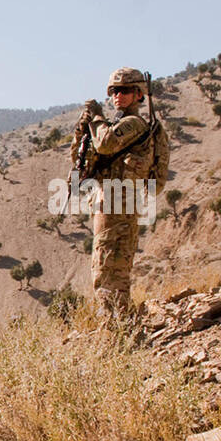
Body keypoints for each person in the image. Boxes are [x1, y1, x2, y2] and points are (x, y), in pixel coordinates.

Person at [76, 66, 169, 321]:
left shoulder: (134, 124)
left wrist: (96, 118)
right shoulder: (117, 124)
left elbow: (105, 144)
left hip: (119, 203)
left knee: (107, 270)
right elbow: (85, 156)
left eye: (126, 91)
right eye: (115, 91)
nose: (118, 96)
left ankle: (115, 331)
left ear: (139, 95)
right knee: (110, 268)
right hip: (111, 202)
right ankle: (120, 326)